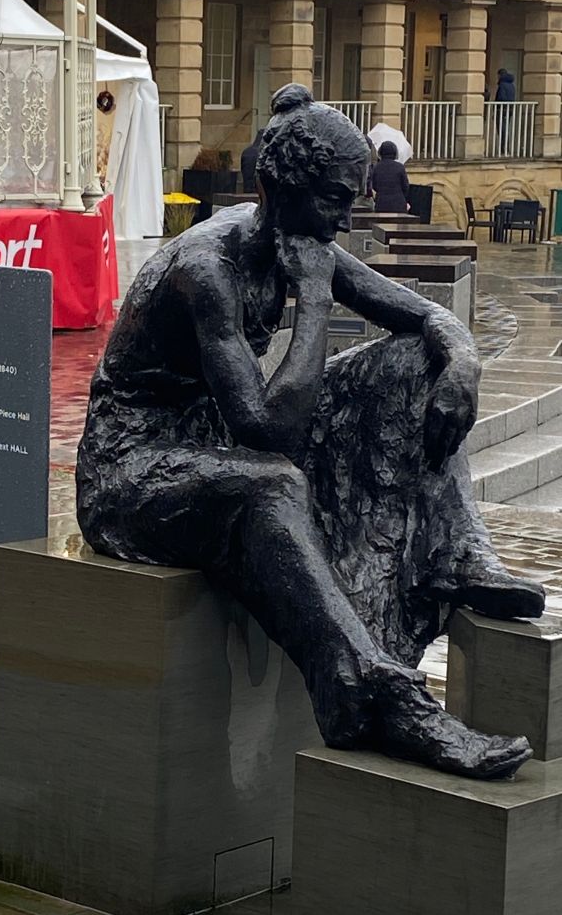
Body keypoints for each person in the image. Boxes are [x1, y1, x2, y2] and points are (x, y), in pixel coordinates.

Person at [77, 84, 543, 780]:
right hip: (133, 467)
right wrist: (317, 299)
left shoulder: (302, 235)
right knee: (273, 485)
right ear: (275, 189)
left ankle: (457, 554)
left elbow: (428, 320)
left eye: (348, 197)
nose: (344, 217)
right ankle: (367, 692)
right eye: (333, 199)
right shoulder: (209, 269)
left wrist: (463, 365)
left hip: (218, 440)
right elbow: (270, 434)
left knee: (416, 364)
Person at [371, 140, 409, 213]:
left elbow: (374, 185)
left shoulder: (376, 167)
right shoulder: (400, 167)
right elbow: (405, 187)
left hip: (381, 203)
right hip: (399, 204)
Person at [495, 69, 516, 155]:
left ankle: (504, 149)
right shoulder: (511, 85)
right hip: (509, 110)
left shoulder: (502, 85)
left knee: (502, 130)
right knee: (505, 129)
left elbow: (501, 97)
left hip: (502, 110)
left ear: (500, 75)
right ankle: (505, 149)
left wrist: (497, 106)